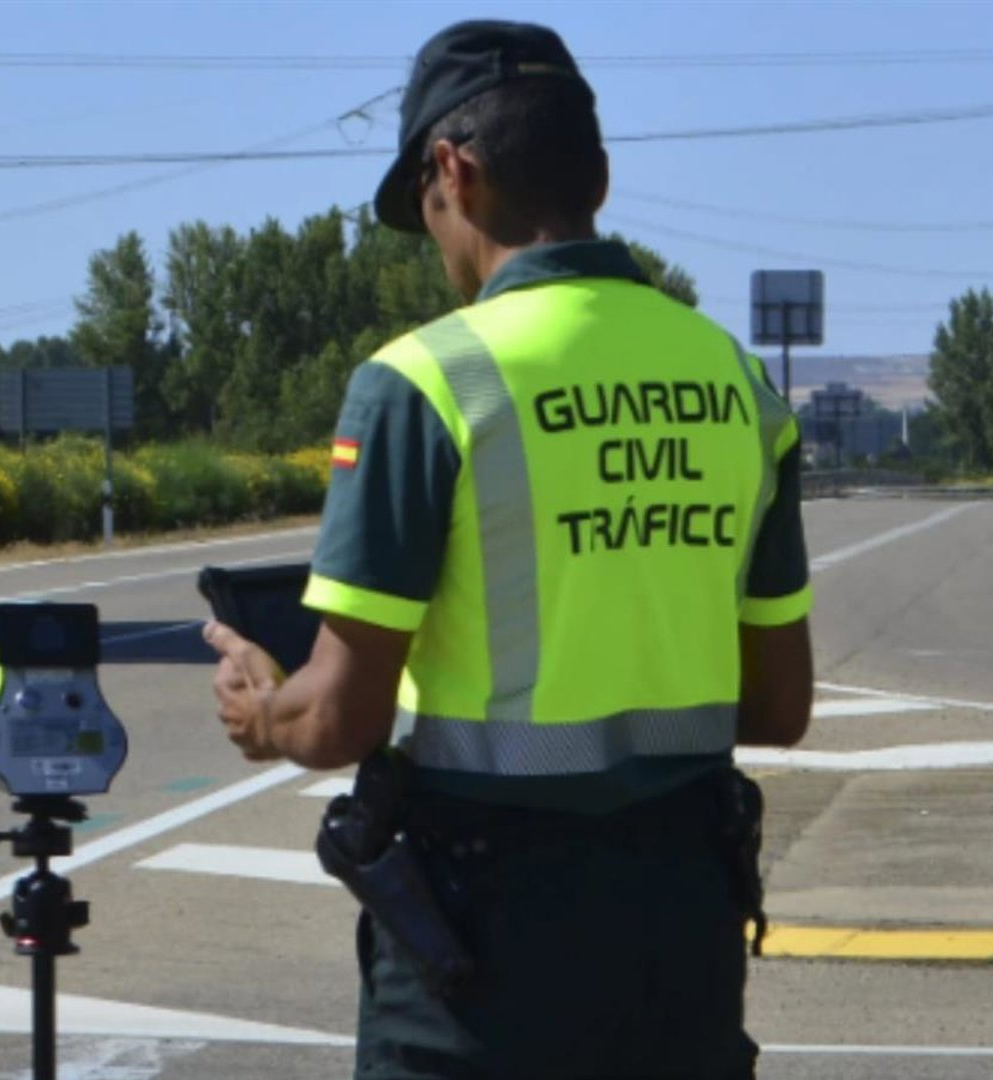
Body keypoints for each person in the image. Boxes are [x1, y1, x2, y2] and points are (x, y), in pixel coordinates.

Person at [202, 19, 814, 1080]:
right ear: (601, 179)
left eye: (429, 210)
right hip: (683, 930)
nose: (439, 243)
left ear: (455, 171)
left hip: (480, 950)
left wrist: (264, 706)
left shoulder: (426, 382)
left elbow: (340, 716)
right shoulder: (741, 384)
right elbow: (777, 707)